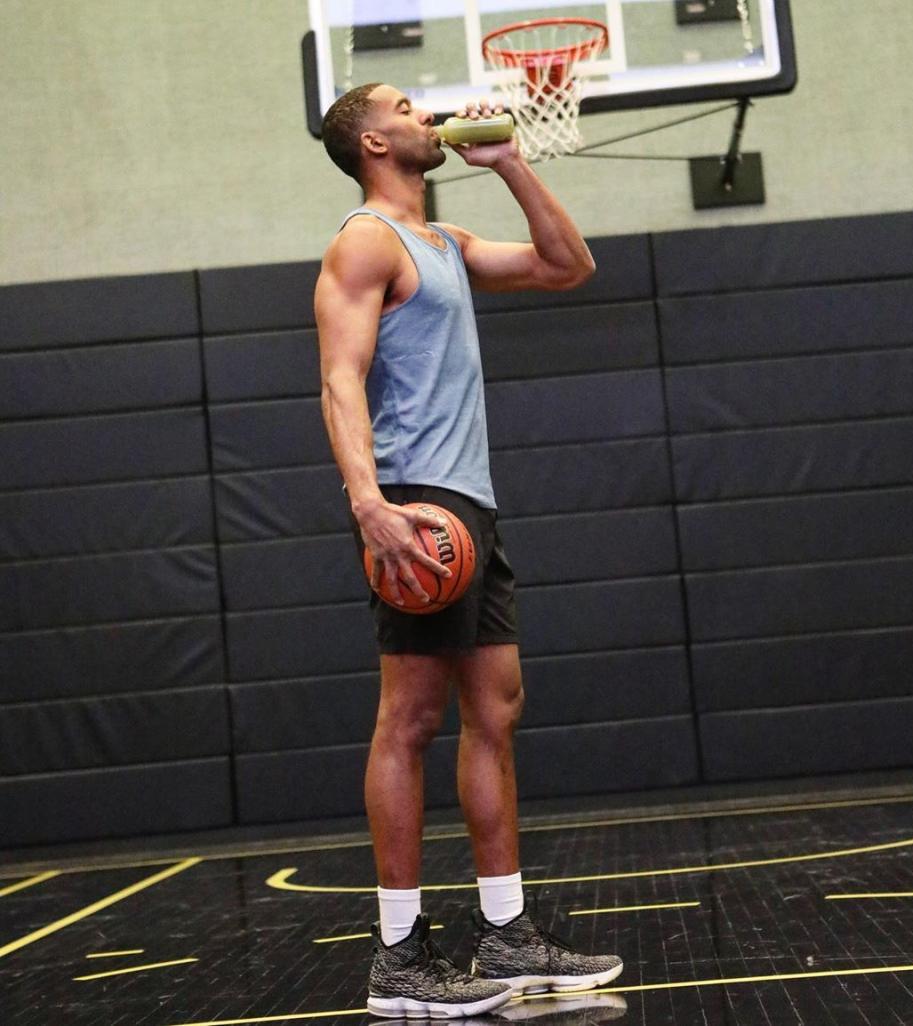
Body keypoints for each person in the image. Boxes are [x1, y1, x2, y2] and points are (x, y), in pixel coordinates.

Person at [314, 82, 623, 1020]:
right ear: (374, 139)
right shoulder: (364, 240)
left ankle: (505, 934)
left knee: (496, 706)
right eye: (409, 105)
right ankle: (401, 953)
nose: (430, 114)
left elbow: (568, 265)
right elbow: (340, 376)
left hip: (472, 505)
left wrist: (509, 163)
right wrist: (368, 502)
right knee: (409, 717)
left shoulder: (442, 243)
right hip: (416, 506)